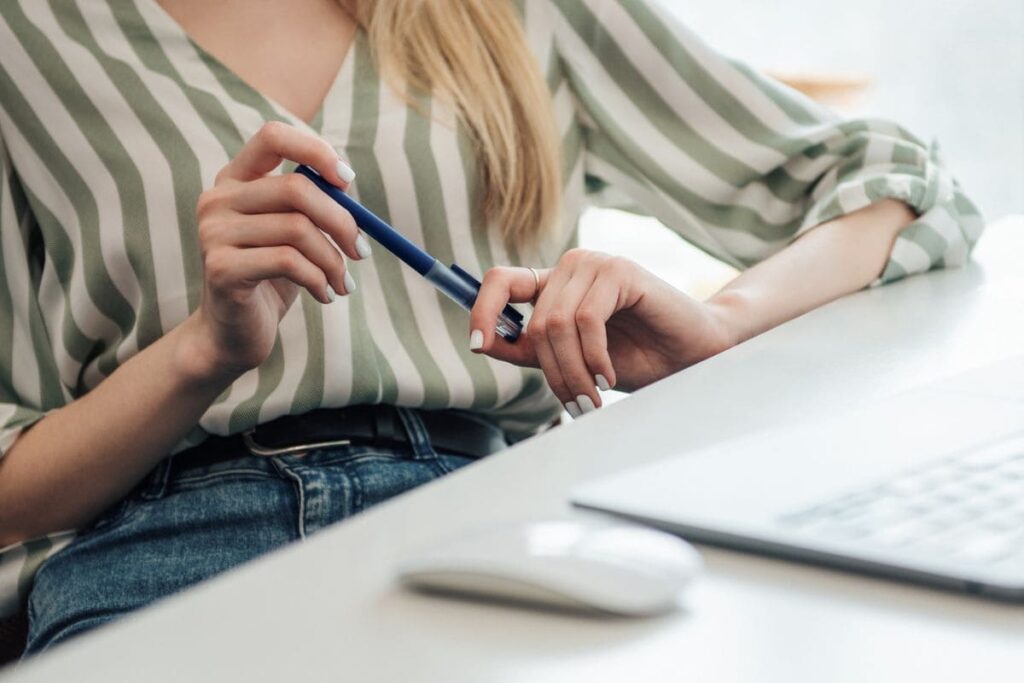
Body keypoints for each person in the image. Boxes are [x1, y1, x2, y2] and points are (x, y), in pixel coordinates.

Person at [0, 0, 981, 656]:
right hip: (166, 542)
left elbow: (893, 185)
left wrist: (719, 322)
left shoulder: (515, 12)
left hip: (500, 517)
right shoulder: (28, 36)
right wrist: (204, 351)